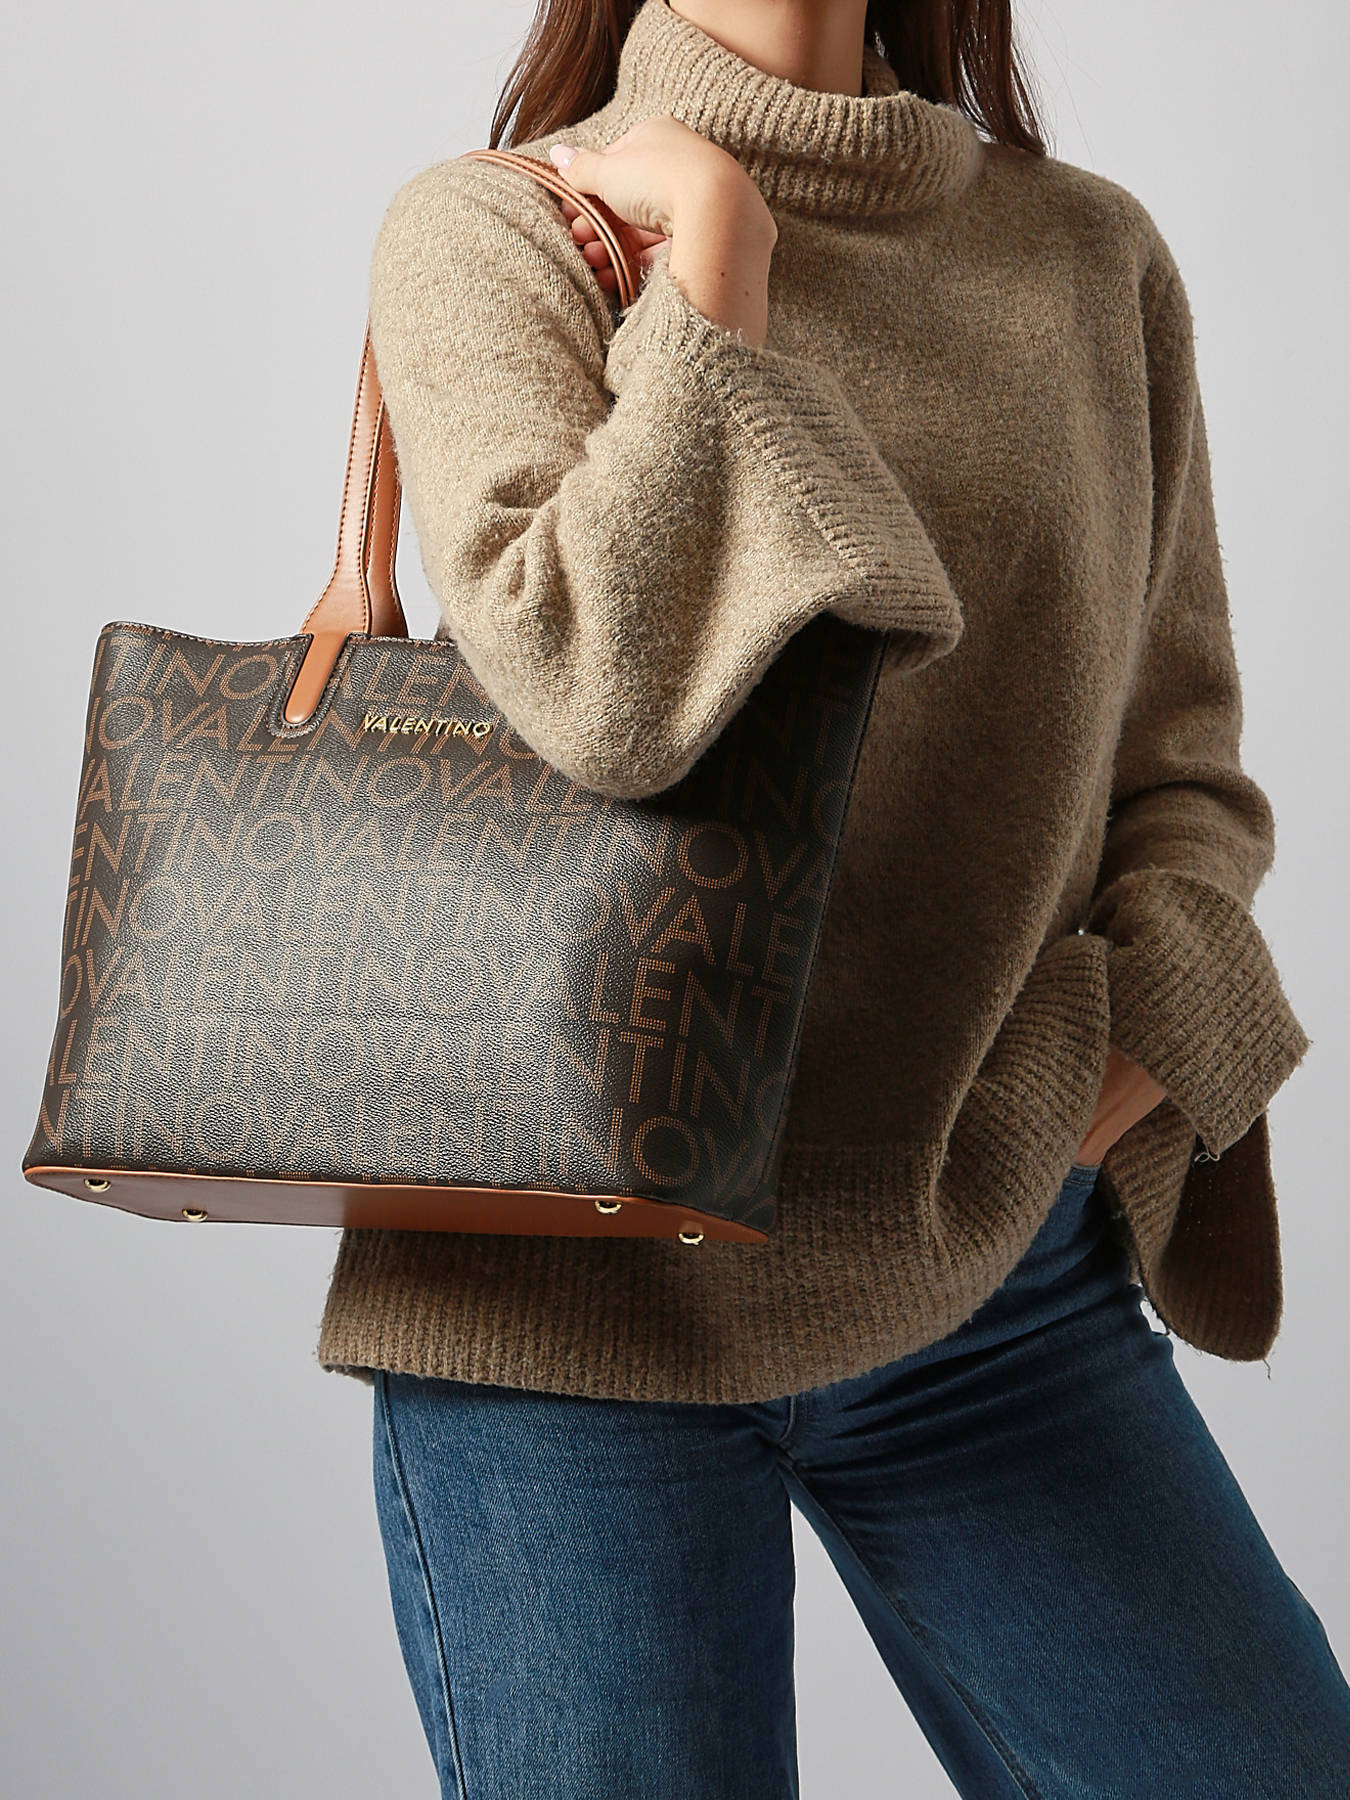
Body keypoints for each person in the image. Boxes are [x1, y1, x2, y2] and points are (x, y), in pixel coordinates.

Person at [315, 1, 1350, 1792]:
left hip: (988, 1274)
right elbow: (599, 688)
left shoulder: (1084, 256)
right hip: (561, 1311)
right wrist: (715, 268)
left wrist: (1119, 1072)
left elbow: (1177, 772)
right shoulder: (497, 228)